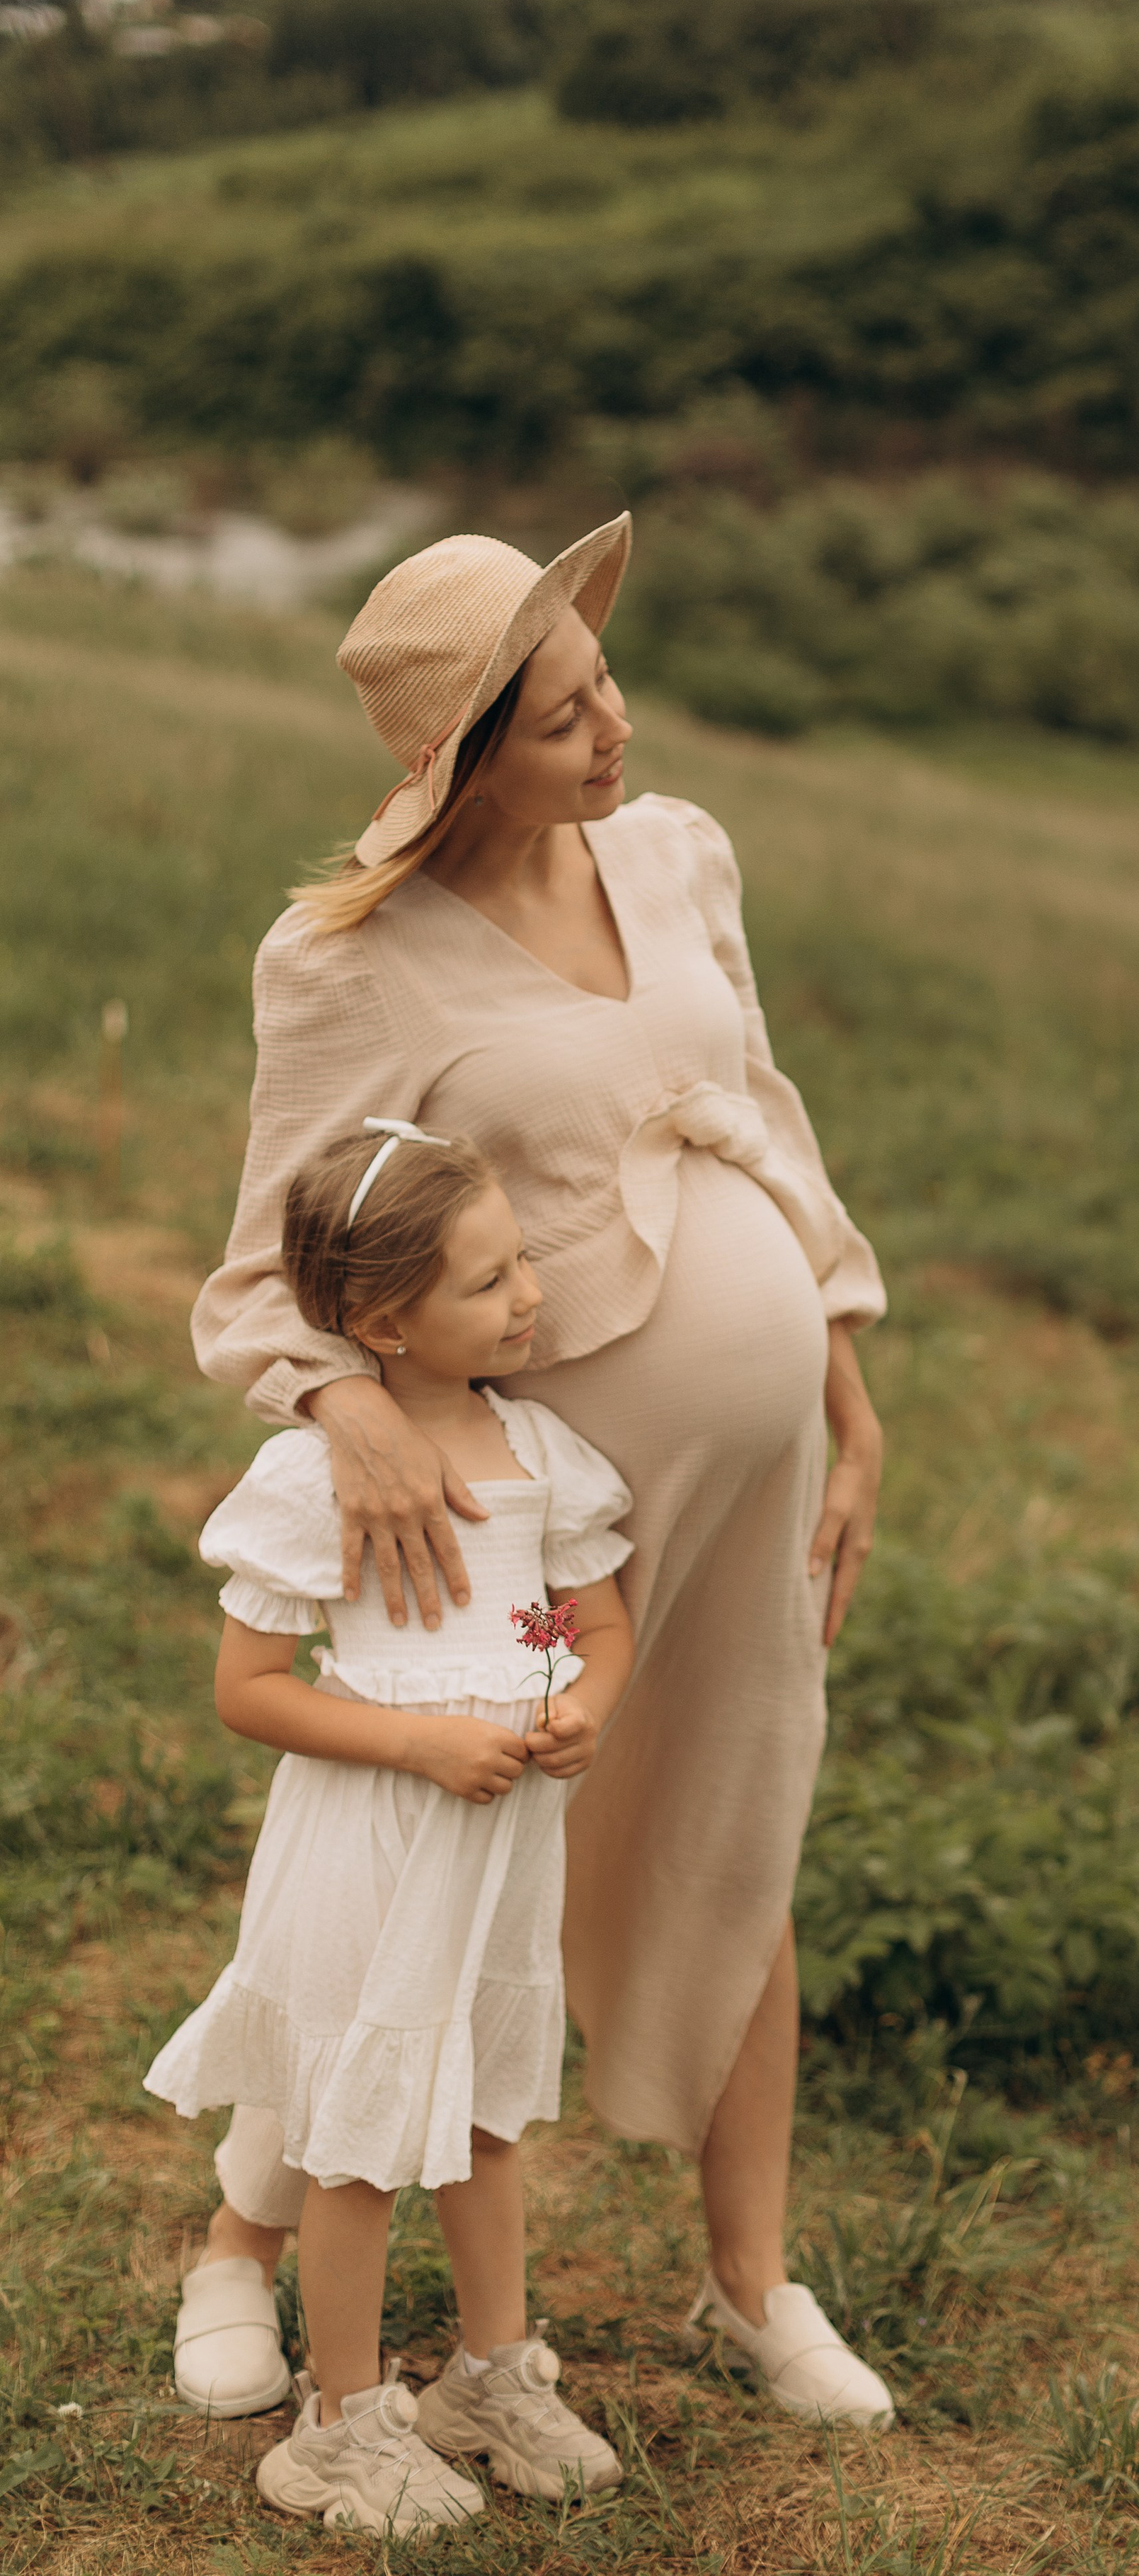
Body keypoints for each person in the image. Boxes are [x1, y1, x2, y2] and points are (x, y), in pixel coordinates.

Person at [173, 516, 895, 2432]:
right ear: (466, 752)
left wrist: (841, 1376)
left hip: (735, 1489)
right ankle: (242, 2240)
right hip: (535, 1500)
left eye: (606, 683)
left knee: (741, 1824)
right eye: (568, 715)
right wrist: (346, 1410)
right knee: (430, 1877)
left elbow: (767, 1125)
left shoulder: (676, 856)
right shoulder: (354, 961)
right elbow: (268, 1266)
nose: (615, 729)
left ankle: (754, 2283)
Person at [147, 1122, 634, 2532]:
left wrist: (587, 1703)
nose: (528, 1297)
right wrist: (419, 1741)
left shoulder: (539, 1449)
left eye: (520, 1260)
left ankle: (490, 2372)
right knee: (355, 2139)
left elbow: (596, 1622)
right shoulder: (321, 1478)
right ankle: (338, 2421)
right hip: (371, 1848)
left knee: (485, 2118)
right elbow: (248, 1690)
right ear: (382, 1323)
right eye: (488, 1283)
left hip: (497, 1857)